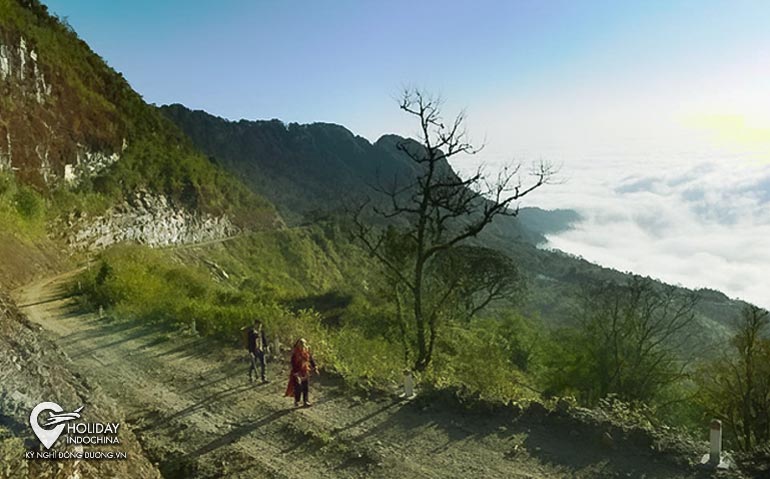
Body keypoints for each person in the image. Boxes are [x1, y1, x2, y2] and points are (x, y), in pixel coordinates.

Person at [285, 338, 317, 407]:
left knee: (305, 386)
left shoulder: (306, 351)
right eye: (301, 344)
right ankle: (297, 401)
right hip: (297, 372)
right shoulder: (295, 353)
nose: (302, 345)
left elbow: (310, 359)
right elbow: (293, 363)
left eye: (303, 344)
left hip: (305, 371)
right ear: (298, 345)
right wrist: (296, 374)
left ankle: (306, 401)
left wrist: (315, 367)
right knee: (298, 388)